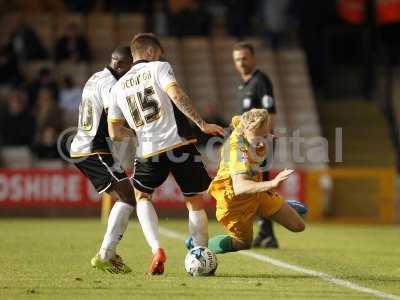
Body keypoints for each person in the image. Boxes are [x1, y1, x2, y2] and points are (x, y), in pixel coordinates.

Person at [107, 33, 224, 275]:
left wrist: (139, 133)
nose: (161, 56)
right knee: (193, 200)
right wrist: (202, 124)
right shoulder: (159, 67)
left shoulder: (117, 87)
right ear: (150, 52)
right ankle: (200, 256)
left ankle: (156, 249)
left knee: (142, 197)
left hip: (149, 150)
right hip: (180, 142)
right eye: (159, 52)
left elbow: (115, 131)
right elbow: (177, 95)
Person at [62, 46, 135, 274]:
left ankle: (109, 253)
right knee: (127, 197)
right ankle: (106, 254)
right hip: (93, 149)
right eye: (131, 69)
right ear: (121, 65)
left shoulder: (96, 77)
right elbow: (116, 122)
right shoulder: (111, 86)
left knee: (124, 197)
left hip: (86, 146)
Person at [206, 109, 305, 253]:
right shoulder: (238, 152)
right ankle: (200, 244)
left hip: (257, 194)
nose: (261, 141)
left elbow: (236, 119)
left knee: (298, 226)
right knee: (243, 243)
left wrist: (265, 135)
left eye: (264, 135)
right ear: (245, 133)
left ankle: (277, 206)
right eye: (257, 137)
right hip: (235, 204)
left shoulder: (243, 123)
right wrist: (272, 183)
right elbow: (240, 186)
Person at [232, 41, 280, 248]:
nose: (241, 63)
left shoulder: (260, 81)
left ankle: (264, 232)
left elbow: (271, 112)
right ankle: (266, 233)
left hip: (259, 145)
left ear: (253, 58)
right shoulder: (245, 85)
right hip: (248, 145)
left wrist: (263, 141)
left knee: (256, 187)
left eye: (244, 58)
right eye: (237, 59)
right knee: (255, 189)